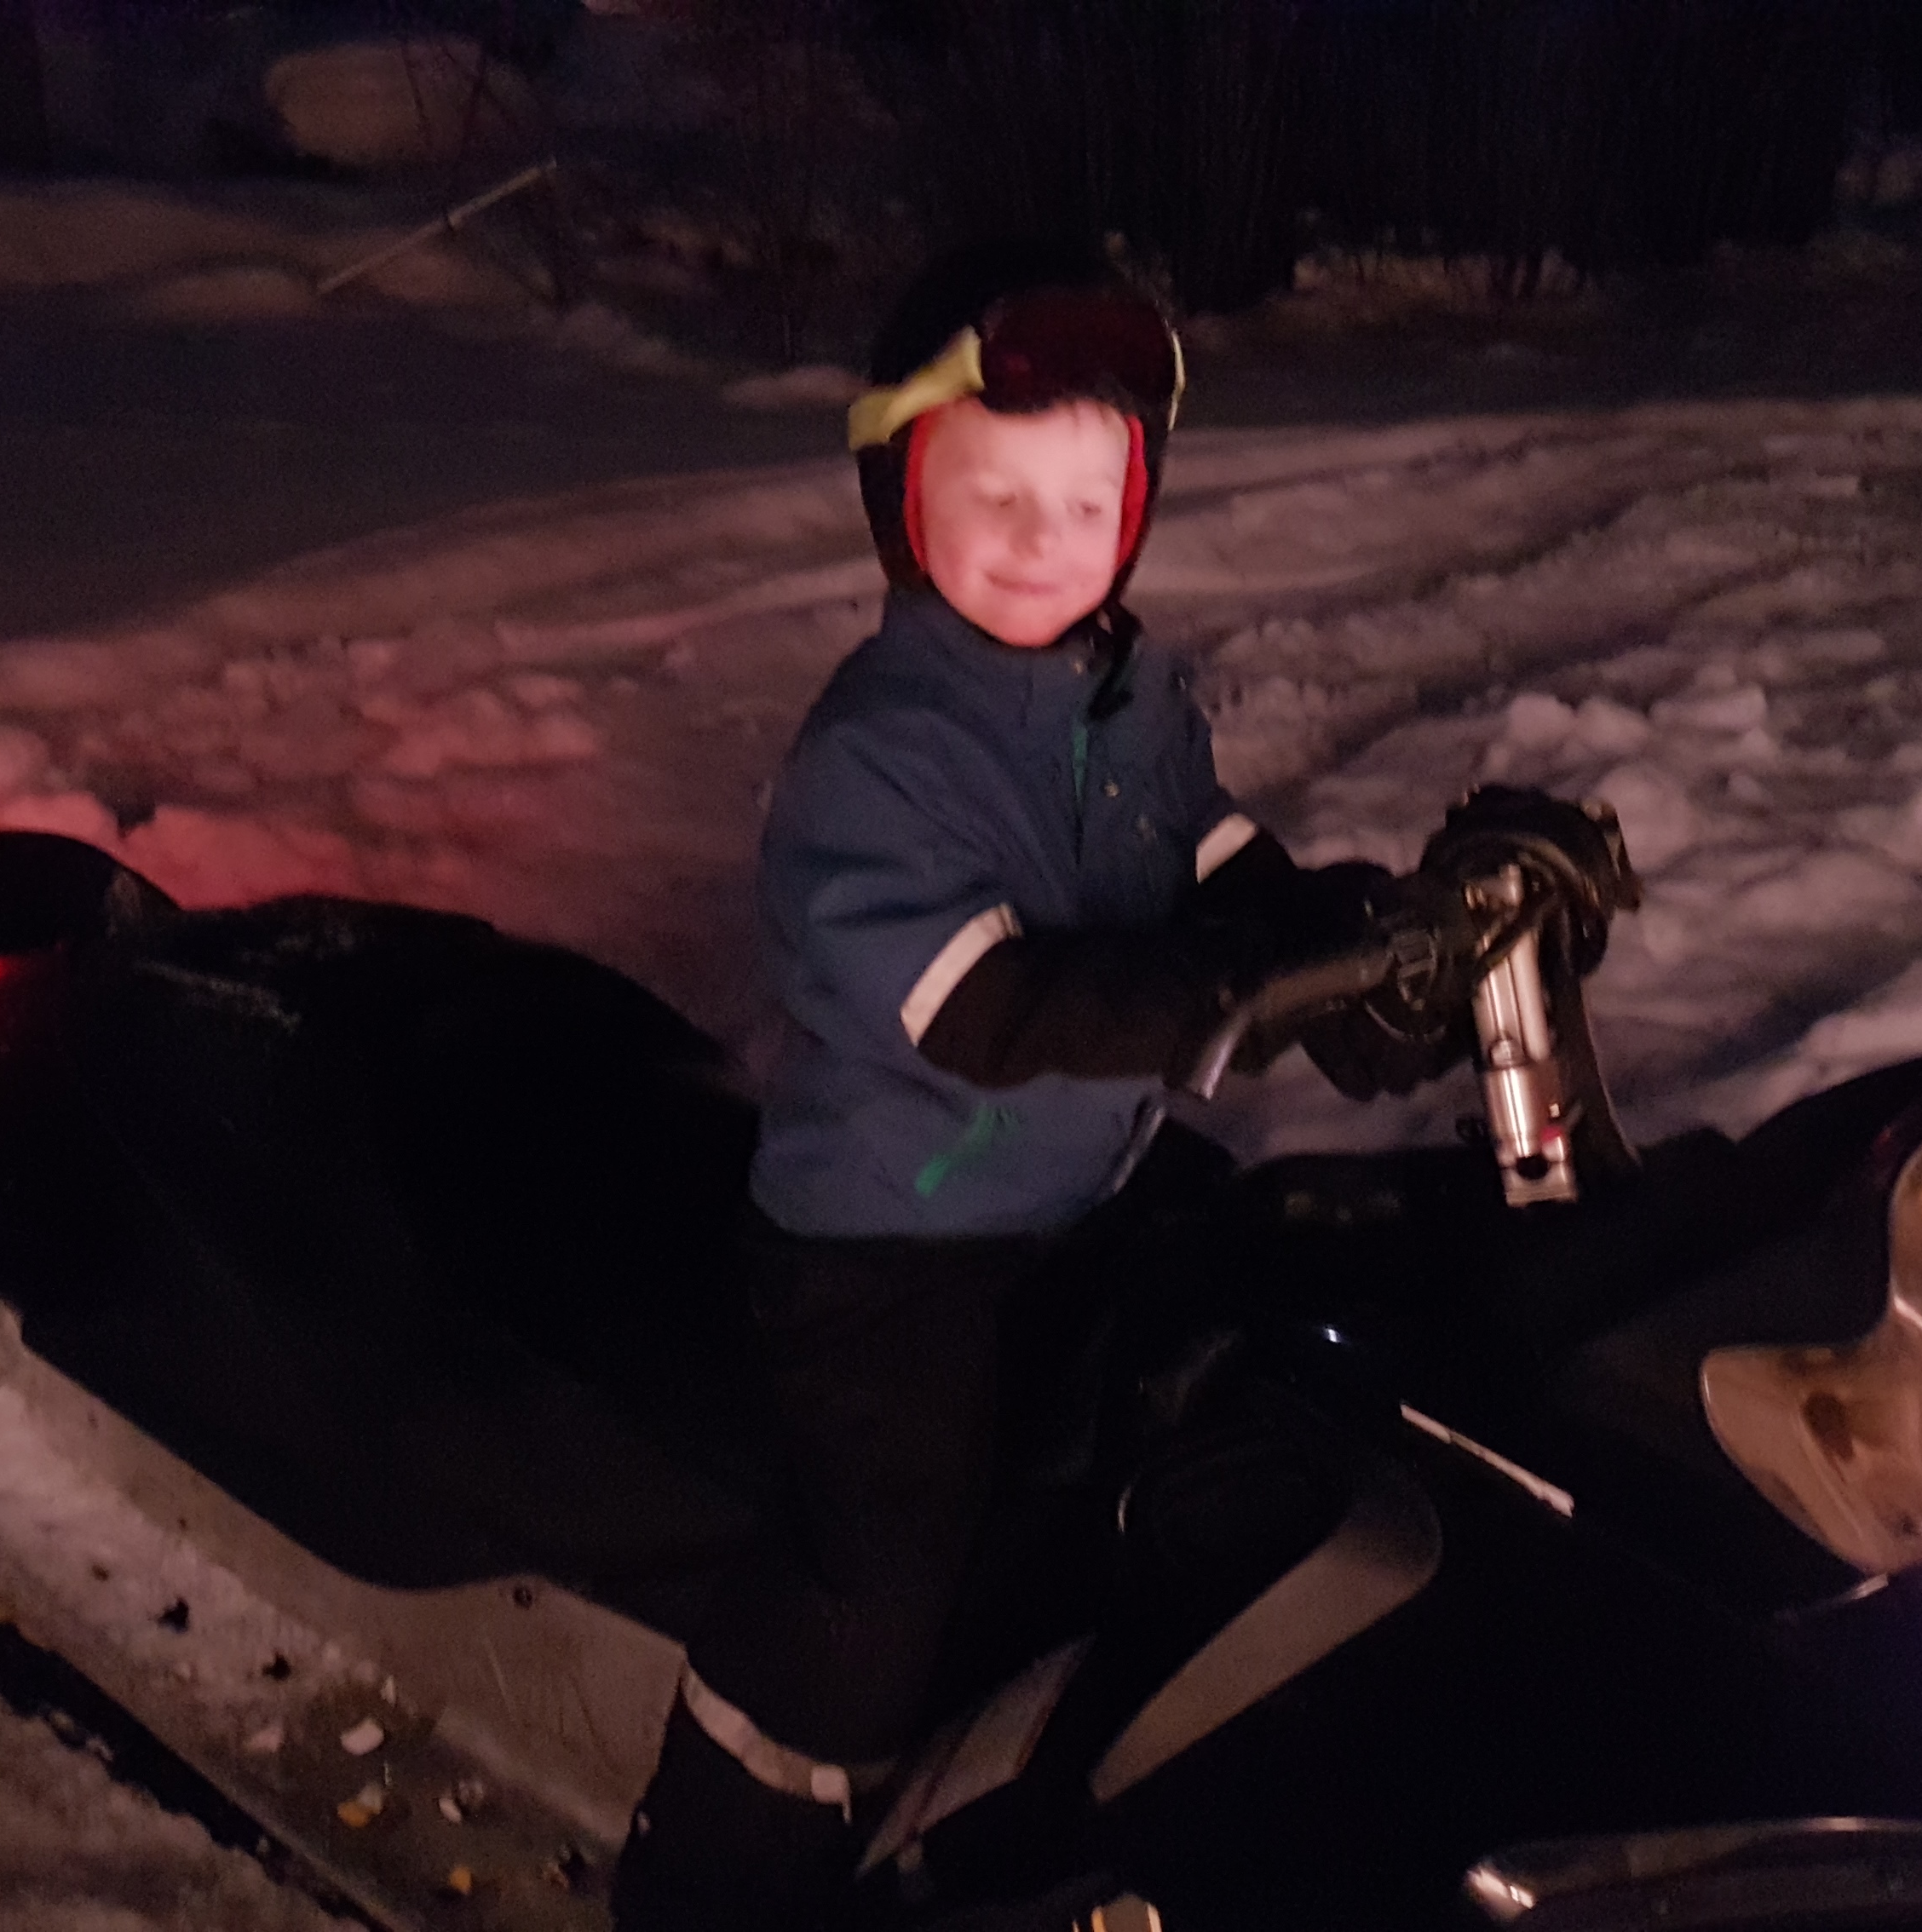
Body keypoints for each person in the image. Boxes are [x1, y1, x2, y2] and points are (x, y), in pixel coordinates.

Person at [610, 243, 1470, 1931]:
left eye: (1086, 504)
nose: (1039, 541)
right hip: (886, 1252)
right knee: (882, 1566)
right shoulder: (879, 753)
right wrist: (1221, 993)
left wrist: (1343, 941)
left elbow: (1208, 854)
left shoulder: (1123, 694)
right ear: (900, 502)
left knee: (1203, 1381)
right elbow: (984, 1010)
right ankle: (711, 1861)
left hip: (1067, 1192)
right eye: (991, 496)